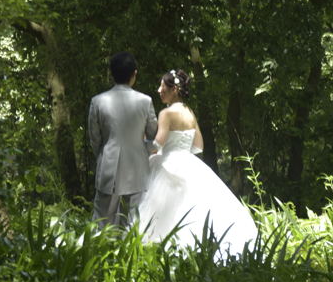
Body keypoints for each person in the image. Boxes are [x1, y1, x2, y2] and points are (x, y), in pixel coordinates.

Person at [138, 69, 258, 257]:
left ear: (174, 89)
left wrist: (143, 141)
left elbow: (157, 145)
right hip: (189, 162)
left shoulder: (166, 114)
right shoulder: (190, 112)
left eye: (162, 86)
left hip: (168, 162)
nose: (159, 90)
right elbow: (198, 146)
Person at [88, 51, 158, 229]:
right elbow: (153, 134)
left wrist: (104, 154)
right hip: (138, 167)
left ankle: (100, 255)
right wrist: (145, 148)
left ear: (111, 74)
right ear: (134, 73)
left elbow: (94, 138)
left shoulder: (98, 101)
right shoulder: (145, 101)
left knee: (102, 222)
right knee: (133, 223)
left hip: (108, 166)